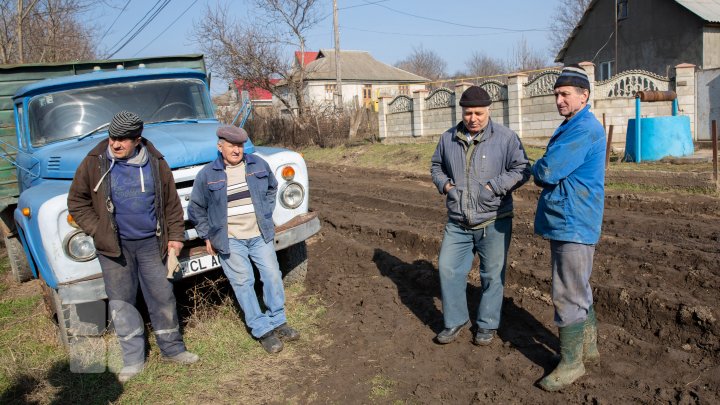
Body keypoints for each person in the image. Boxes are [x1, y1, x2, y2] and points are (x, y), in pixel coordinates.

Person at [68, 111, 199, 383]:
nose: (115, 144)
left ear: (137, 140)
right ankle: (132, 359)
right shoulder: (94, 162)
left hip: (152, 244)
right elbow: (77, 202)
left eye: (123, 140)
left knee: (162, 296)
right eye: (112, 138)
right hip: (115, 249)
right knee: (122, 302)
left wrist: (175, 235)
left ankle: (172, 349)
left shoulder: (155, 162)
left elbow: (171, 203)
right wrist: (97, 230)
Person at [430, 86, 530, 346]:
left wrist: (493, 188)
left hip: (494, 220)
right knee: (448, 269)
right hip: (458, 221)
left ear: (489, 111)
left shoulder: (506, 138)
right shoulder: (448, 138)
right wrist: (447, 187)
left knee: (492, 275)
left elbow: (522, 169)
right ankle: (455, 321)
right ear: (461, 111)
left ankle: (486, 325)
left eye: (478, 113)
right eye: (468, 112)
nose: (473, 118)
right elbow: (436, 166)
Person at [188, 125, 299, 354]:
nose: (236, 150)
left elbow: (272, 187)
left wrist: (266, 213)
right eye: (231, 146)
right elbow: (196, 208)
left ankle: (278, 321)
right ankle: (262, 330)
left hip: (259, 234)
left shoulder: (258, 164)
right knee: (243, 283)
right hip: (230, 239)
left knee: (272, 276)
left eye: (239, 145)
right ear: (220, 147)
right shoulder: (207, 175)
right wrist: (208, 234)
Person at [532, 64, 605, 391]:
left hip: (572, 219)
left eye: (565, 94)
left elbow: (548, 170)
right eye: (556, 94)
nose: (559, 100)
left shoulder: (582, 128)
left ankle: (572, 363)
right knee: (579, 285)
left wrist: (534, 166)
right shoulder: (577, 123)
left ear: (583, 95)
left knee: (567, 291)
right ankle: (588, 350)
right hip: (575, 216)